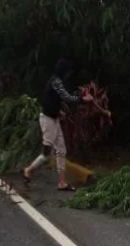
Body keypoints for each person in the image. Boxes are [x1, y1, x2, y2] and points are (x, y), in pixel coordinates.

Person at [22, 58, 93, 191]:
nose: (69, 74)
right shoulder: (56, 81)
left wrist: (59, 111)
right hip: (48, 120)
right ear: (64, 71)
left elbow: (52, 99)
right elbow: (67, 98)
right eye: (68, 71)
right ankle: (28, 170)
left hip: (54, 118)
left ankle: (61, 182)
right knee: (46, 153)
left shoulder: (56, 81)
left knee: (61, 150)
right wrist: (83, 99)